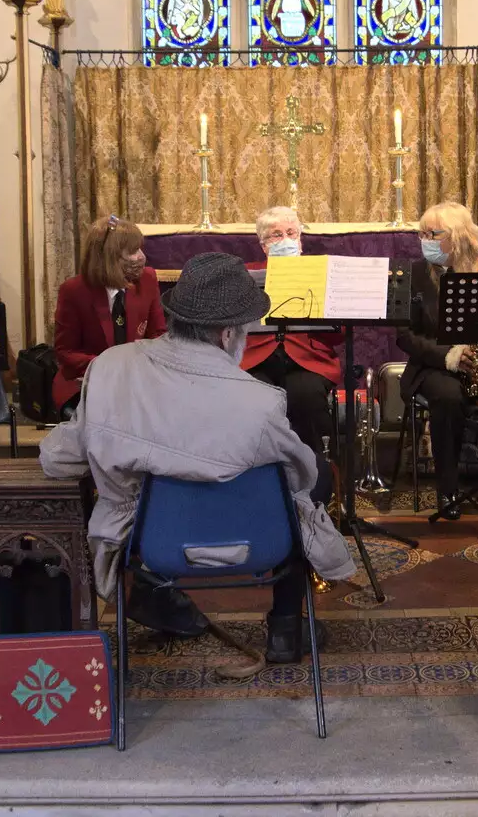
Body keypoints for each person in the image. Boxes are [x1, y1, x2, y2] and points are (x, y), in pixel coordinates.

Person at [40, 252, 353, 663]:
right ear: (227, 335)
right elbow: (303, 477)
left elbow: (57, 459)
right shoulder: (260, 402)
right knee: (309, 484)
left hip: (151, 543)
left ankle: (156, 596)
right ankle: (284, 628)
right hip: (253, 543)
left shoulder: (111, 369)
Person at [395, 201, 478, 520]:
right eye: (421, 233)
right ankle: (448, 487)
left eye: (433, 233)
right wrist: (449, 355)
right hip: (435, 364)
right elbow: (404, 335)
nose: (424, 239)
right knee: (449, 398)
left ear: (456, 237)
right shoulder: (410, 274)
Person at [243, 206, 340, 453]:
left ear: (300, 239)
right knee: (254, 398)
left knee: (306, 396)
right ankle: (262, 474)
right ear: (263, 245)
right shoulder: (246, 274)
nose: (285, 240)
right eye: (276, 235)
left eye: (291, 233)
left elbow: (338, 334)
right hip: (256, 359)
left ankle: (318, 472)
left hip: (307, 358)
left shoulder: (321, 271)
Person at [52, 215, 165, 416]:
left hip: (137, 382)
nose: (141, 257)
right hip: (88, 382)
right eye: (132, 251)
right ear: (108, 257)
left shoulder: (147, 279)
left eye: (140, 248)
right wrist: (110, 369)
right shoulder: (74, 291)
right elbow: (65, 351)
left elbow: (158, 335)